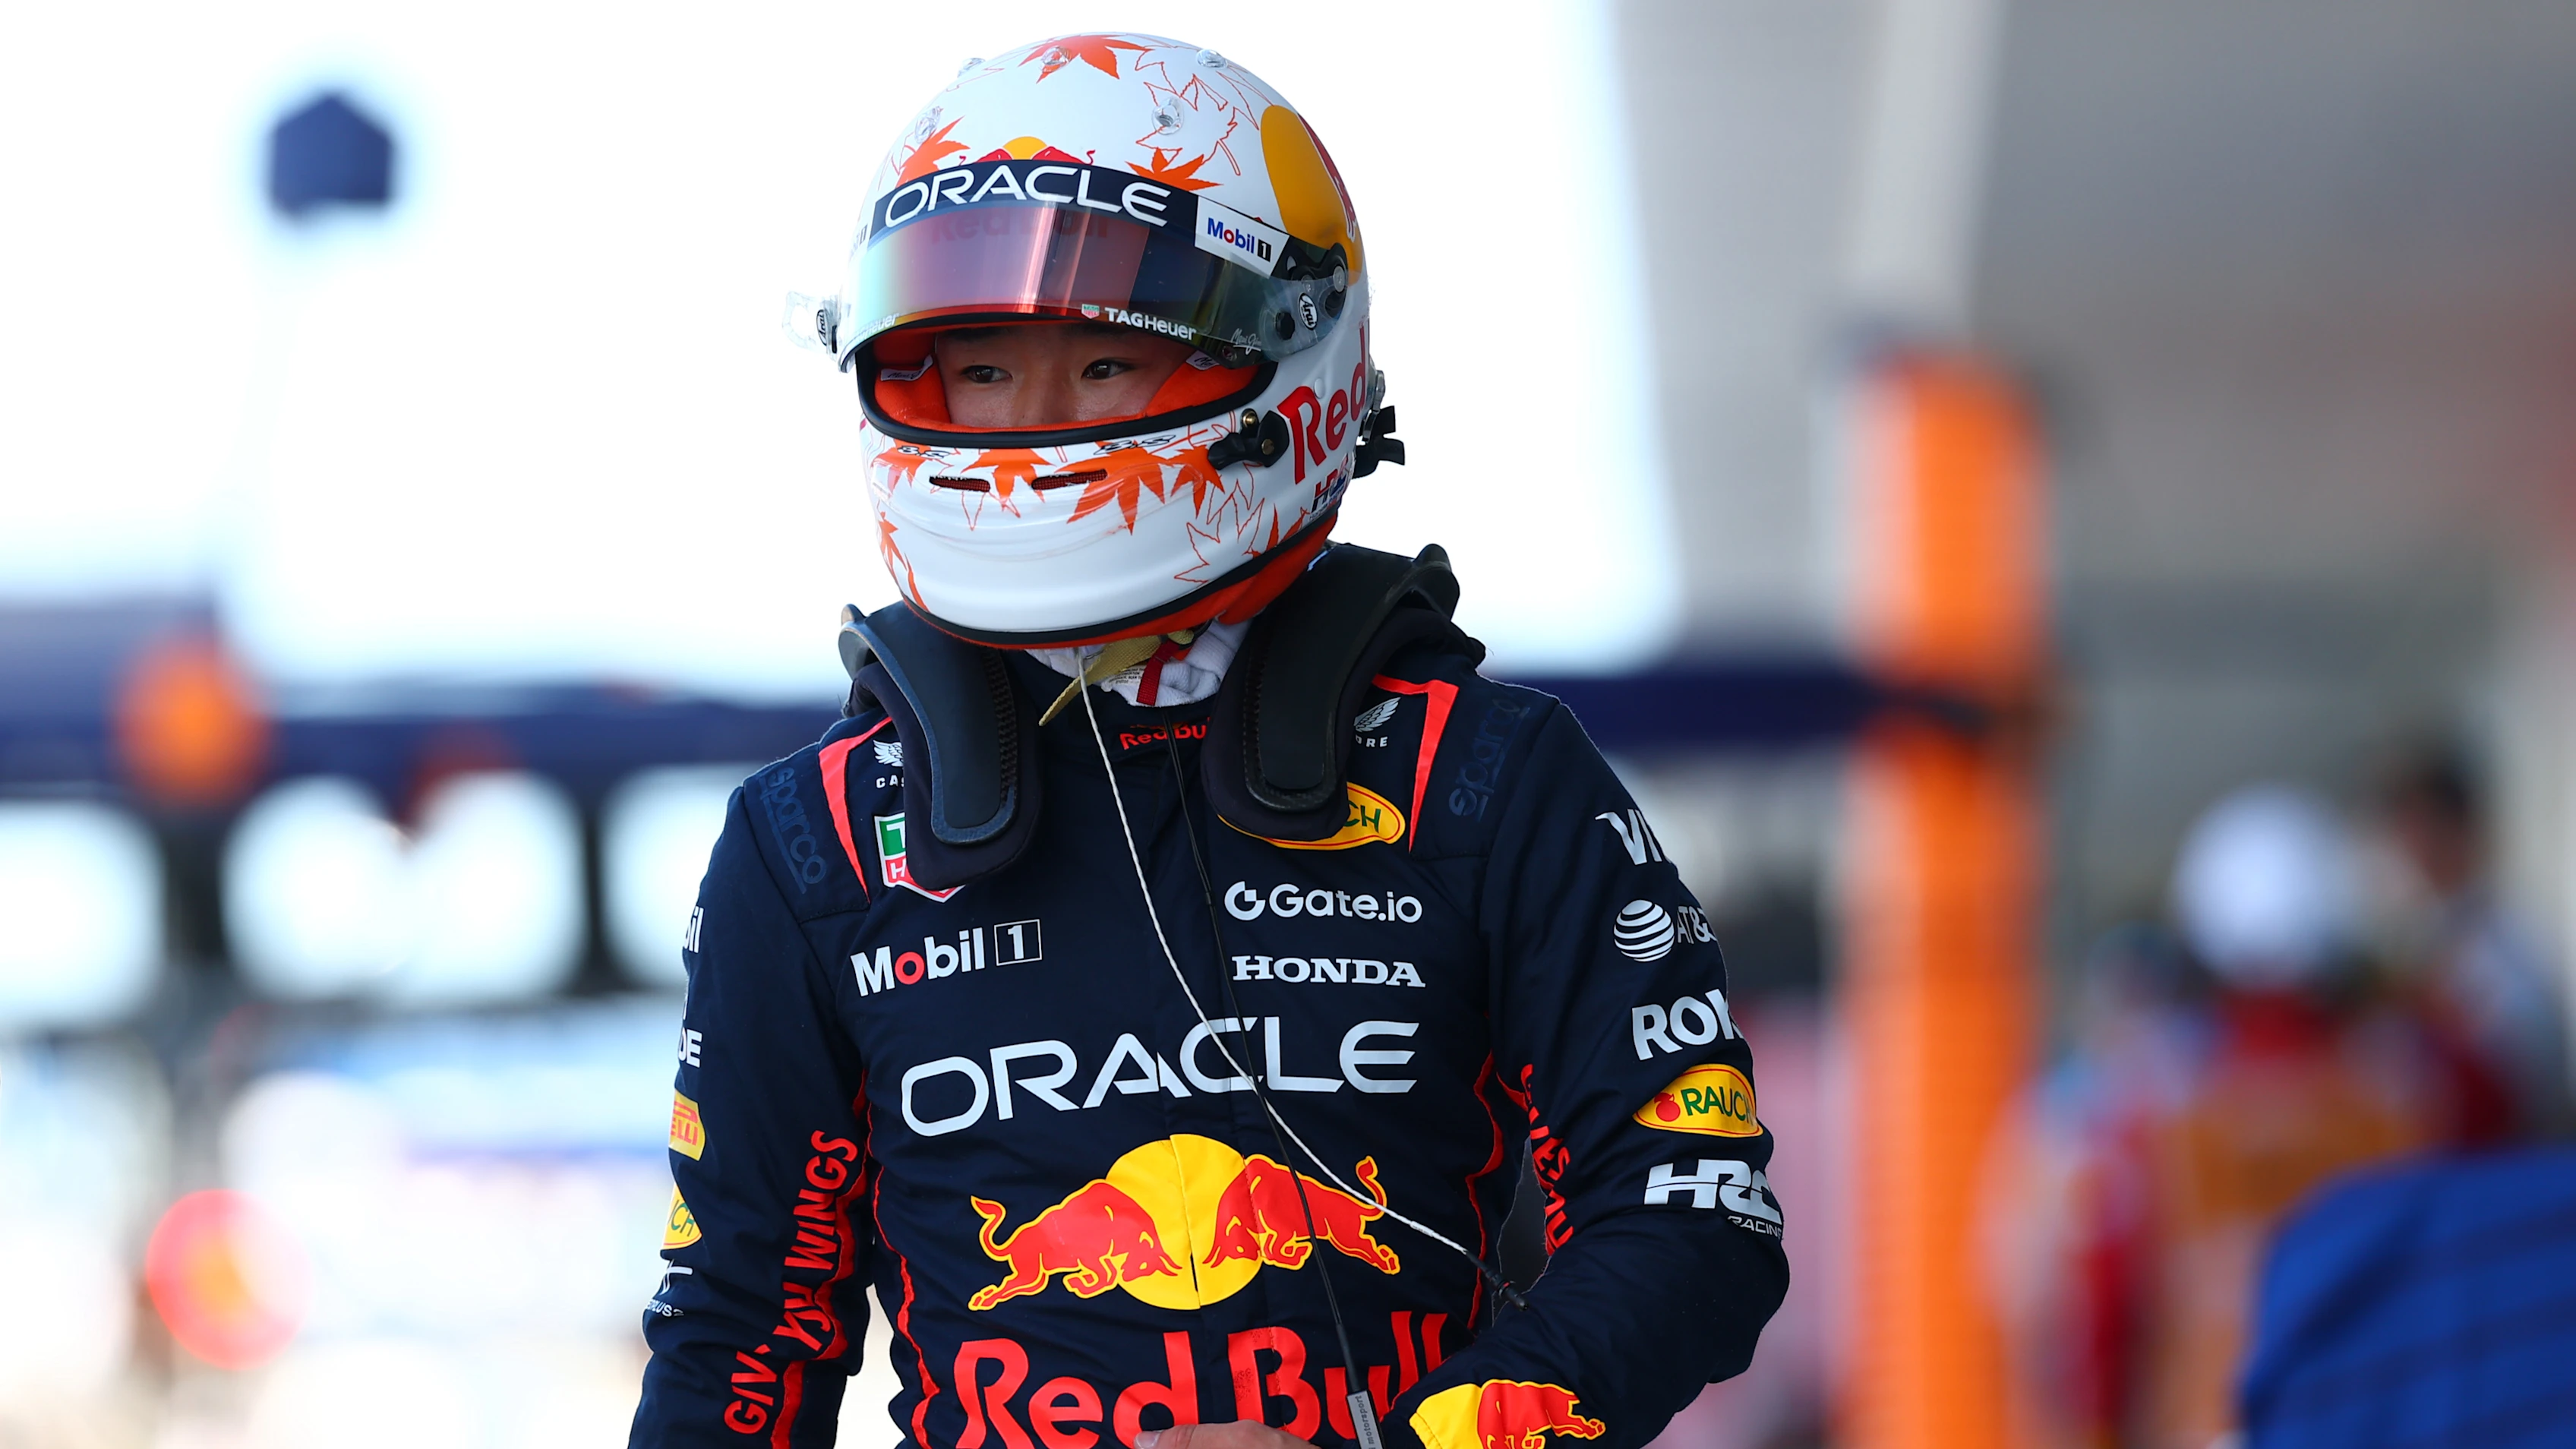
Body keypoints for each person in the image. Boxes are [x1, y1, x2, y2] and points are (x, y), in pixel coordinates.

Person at [628, 34, 1787, 1449]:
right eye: (980, 369)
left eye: (1104, 362)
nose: (1027, 426)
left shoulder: (1484, 781)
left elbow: (1695, 1213)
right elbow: (741, 1338)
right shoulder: (810, 840)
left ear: (1291, 352)